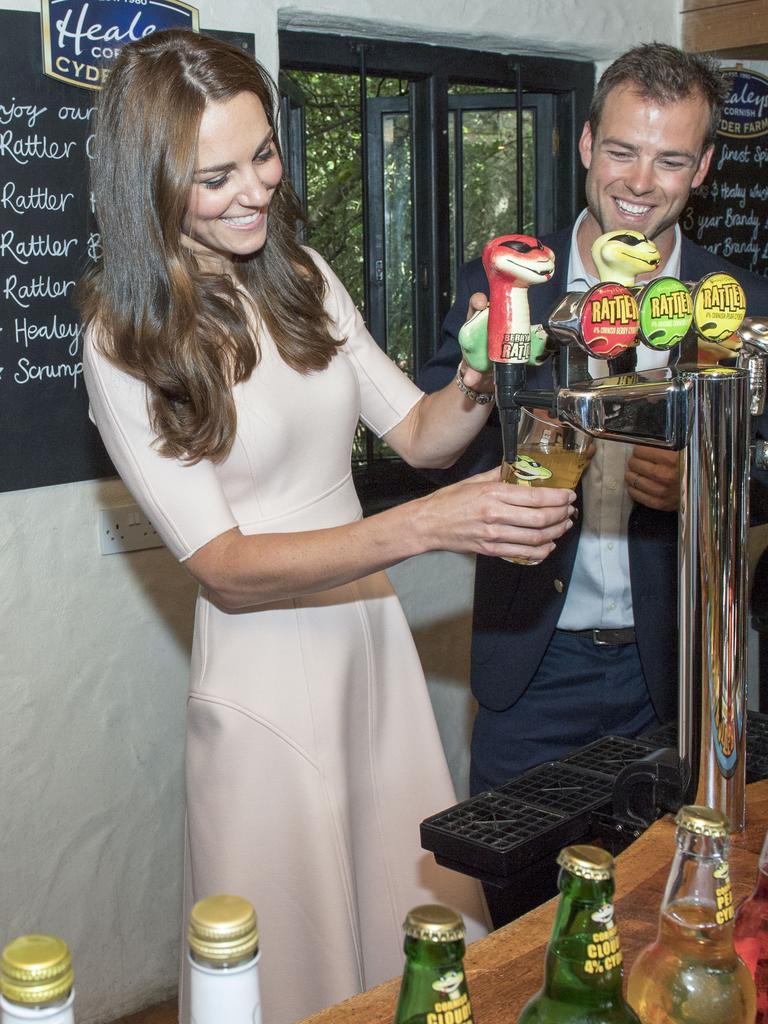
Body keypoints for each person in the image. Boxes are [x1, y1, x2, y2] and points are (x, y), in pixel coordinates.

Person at [78, 29, 576, 1024]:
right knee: (295, 960)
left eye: (262, 153)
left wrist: (477, 374)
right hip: (262, 677)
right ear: (151, 183)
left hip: (366, 645)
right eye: (213, 174)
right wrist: (430, 528)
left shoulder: (298, 273)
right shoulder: (122, 339)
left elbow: (425, 438)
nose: (254, 188)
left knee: (413, 935)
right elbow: (224, 566)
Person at [421, 43, 768, 798]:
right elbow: (434, 442)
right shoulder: (511, 281)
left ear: (704, 168)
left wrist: (709, 481)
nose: (641, 183)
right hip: (534, 667)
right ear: (586, 143)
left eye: (671, 160)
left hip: (675, 674)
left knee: (664, 907)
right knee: (521, 909)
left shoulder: (739, 299)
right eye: (621, 151)